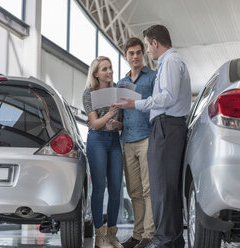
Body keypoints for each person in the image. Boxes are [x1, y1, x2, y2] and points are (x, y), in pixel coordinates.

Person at [114, 25, 192, 248]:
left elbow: (167, 97)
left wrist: (136, 104)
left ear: (154, 43)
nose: (147, 51)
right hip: (166, 127)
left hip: (167, 127)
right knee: (163, 187)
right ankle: (171, 239)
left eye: (146, 46)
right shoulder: (172, 62)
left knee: (161, 188)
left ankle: (165, 239)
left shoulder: (169, 62)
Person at [116, 37, 156, 248]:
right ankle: (138, 234)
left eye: (138, 52)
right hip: (127, 140)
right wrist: (116, 124)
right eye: (131, 53)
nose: (135, 56)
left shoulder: (153, 78)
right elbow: (121, 115)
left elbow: (159, 105)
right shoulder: (121, 83)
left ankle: (149, 234)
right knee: (134, 192)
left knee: (148, 190)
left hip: (147, 137)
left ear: (143, 54)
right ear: (126, 56)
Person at [82, 56, 124, 248]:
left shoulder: (118, 91)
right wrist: (110, 113)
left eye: (110, 68)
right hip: (97, 141)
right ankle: (100, 236)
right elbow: (95, 124)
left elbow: (122, 123)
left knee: (116, 188)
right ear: (96, 74)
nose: (109, 72)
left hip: (114, 140)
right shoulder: (88, 94)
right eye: (105, 69)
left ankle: (112, 235)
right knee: (100, 188)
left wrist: (117, 123)